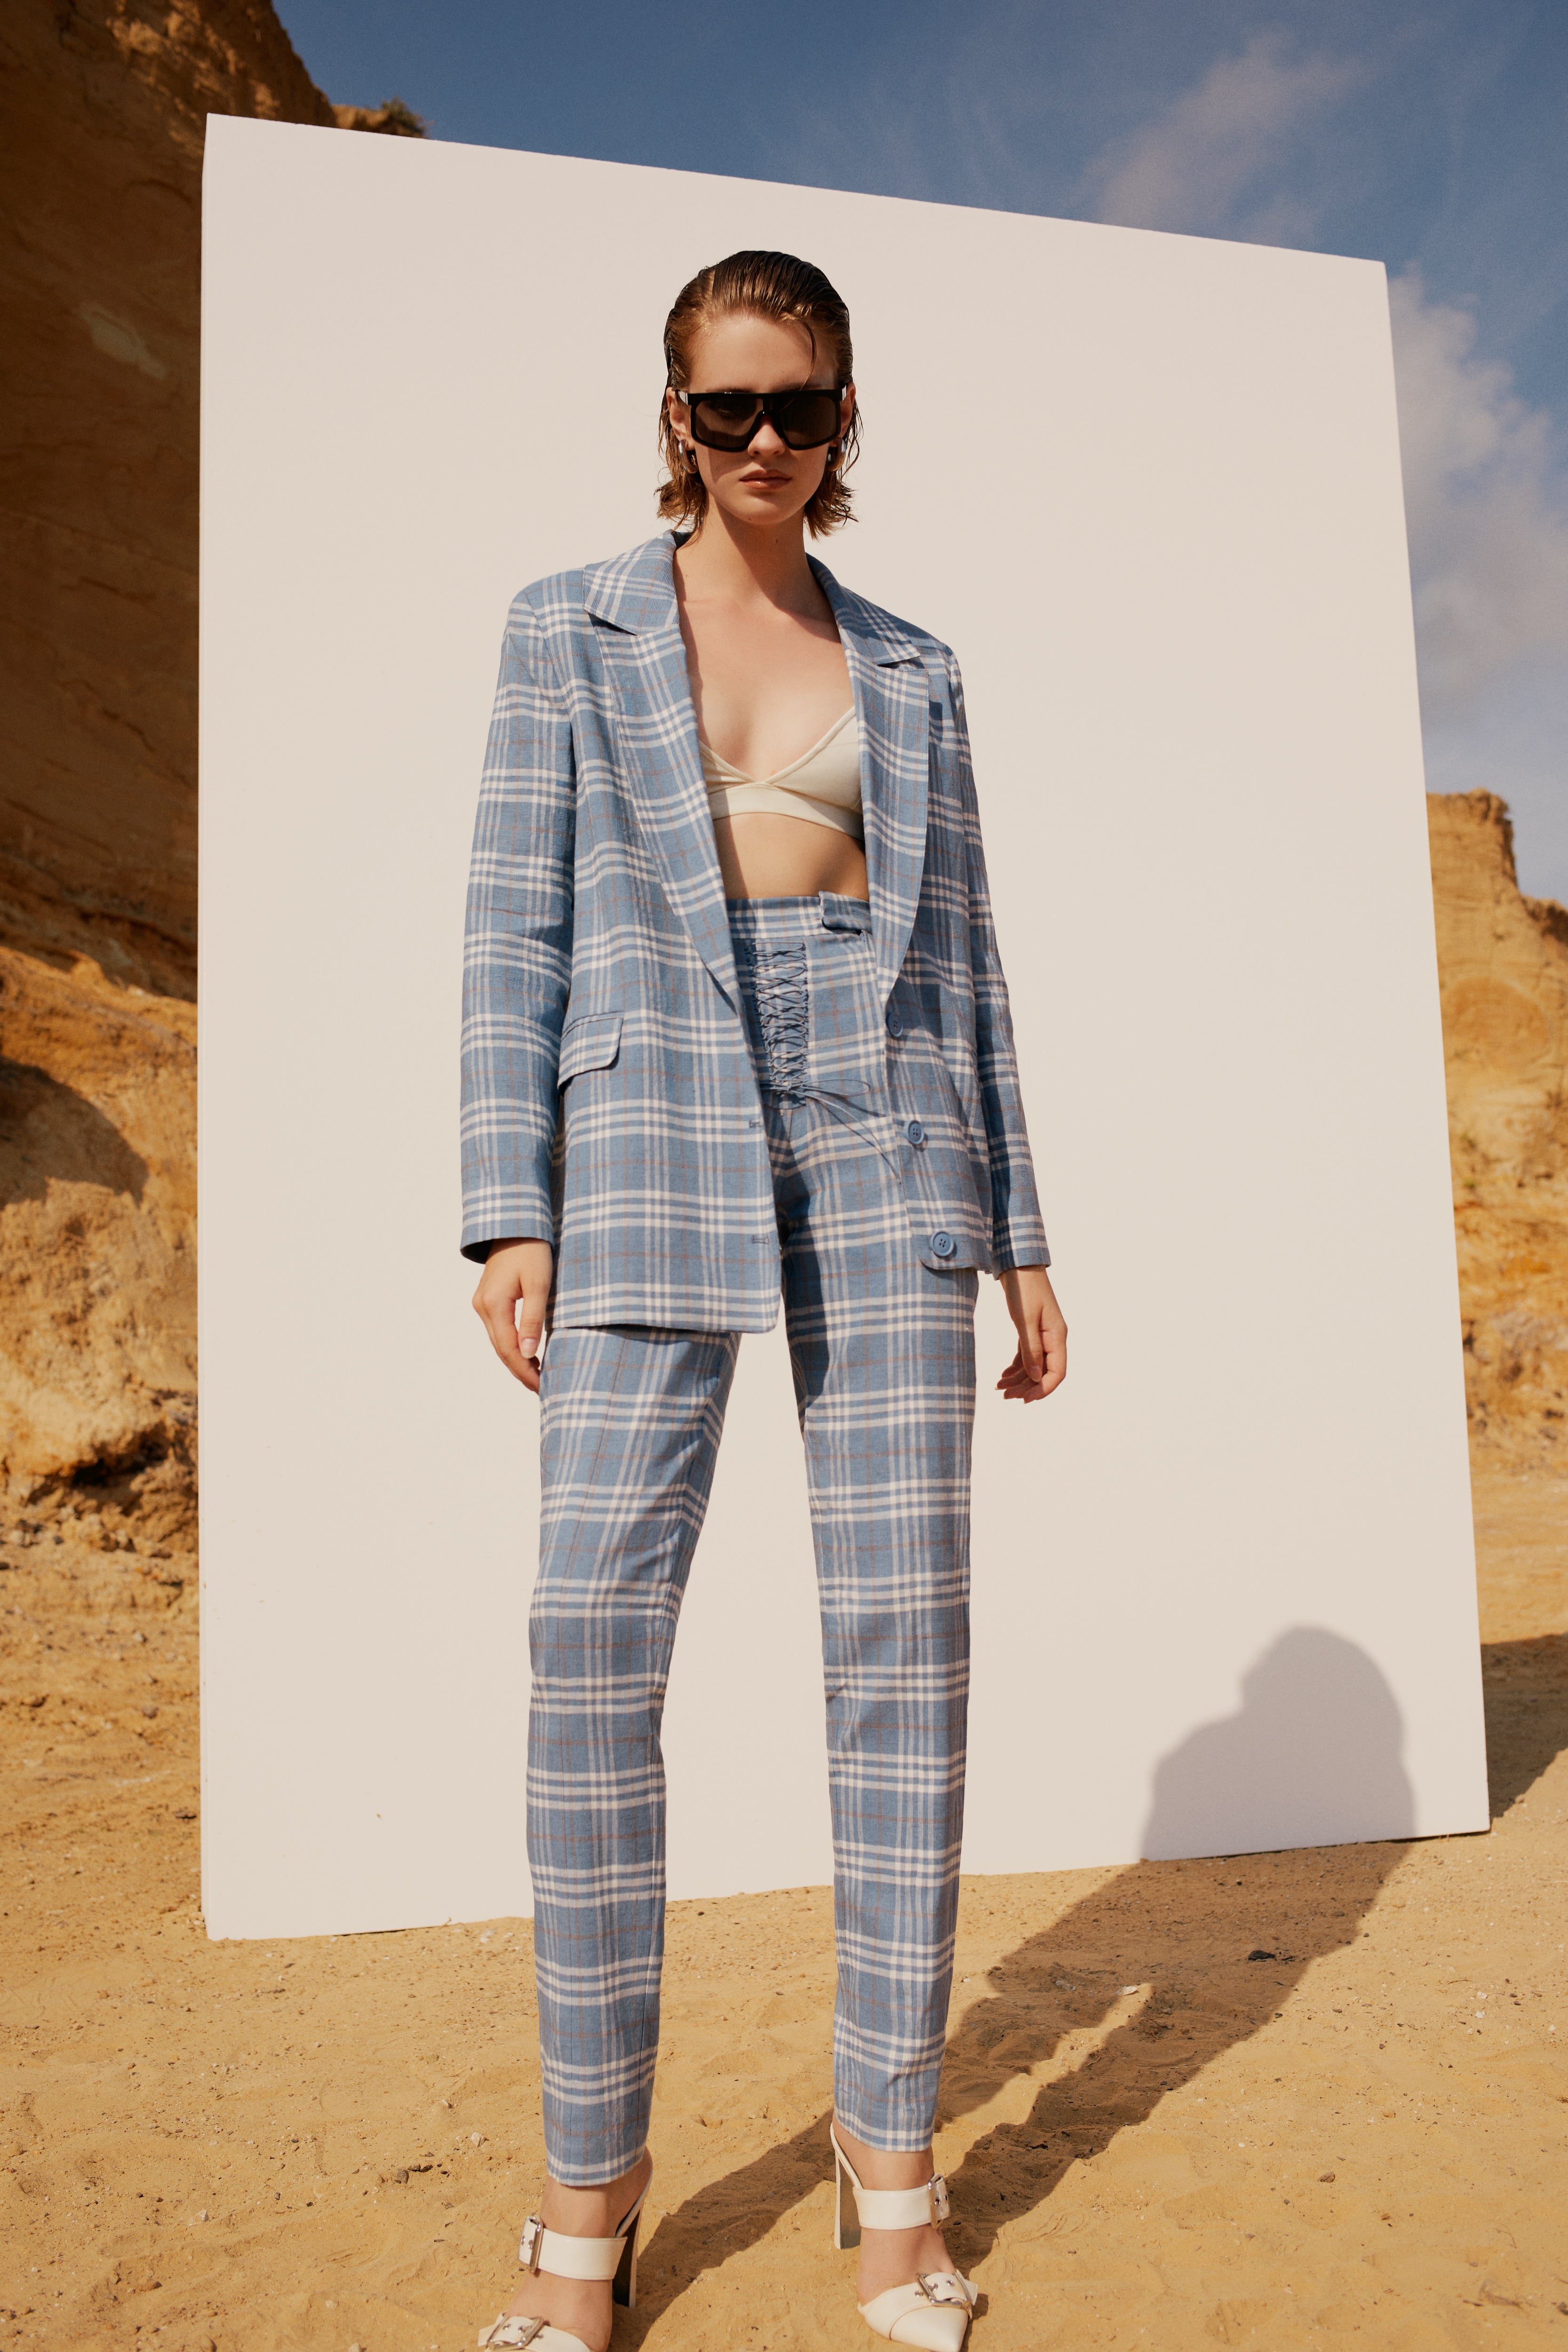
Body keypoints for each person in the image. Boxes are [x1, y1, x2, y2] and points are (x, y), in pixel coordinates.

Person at [463, 250, 1066, 2352]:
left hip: (890, 1131)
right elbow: (511, 928)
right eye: (726, 406)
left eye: (798, 405)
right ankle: (589, 2192)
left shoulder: (914, 667)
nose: (763, 442)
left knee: (903, 1648)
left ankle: (892, 2171)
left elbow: (968, 953)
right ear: (674, 416)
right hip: (646, 1128)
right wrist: (505, 1205)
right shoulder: (568, 626)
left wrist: (1023, 1223)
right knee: (587, 1653)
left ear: (843, 417)